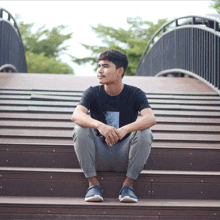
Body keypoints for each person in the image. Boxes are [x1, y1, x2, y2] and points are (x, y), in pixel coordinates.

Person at [71, 49, 156, 203]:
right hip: (98, 153)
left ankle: (128, 186)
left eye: (105, 66)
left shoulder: (135, 93)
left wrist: (124, 130)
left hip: (125, 153)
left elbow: (150, 118)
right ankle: (93, 184)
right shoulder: (92, 92)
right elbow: (76, 115)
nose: (99, 70)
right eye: (98, 66)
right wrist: (100, 126)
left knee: (145, 131)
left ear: (119, 71)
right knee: (80, 128)